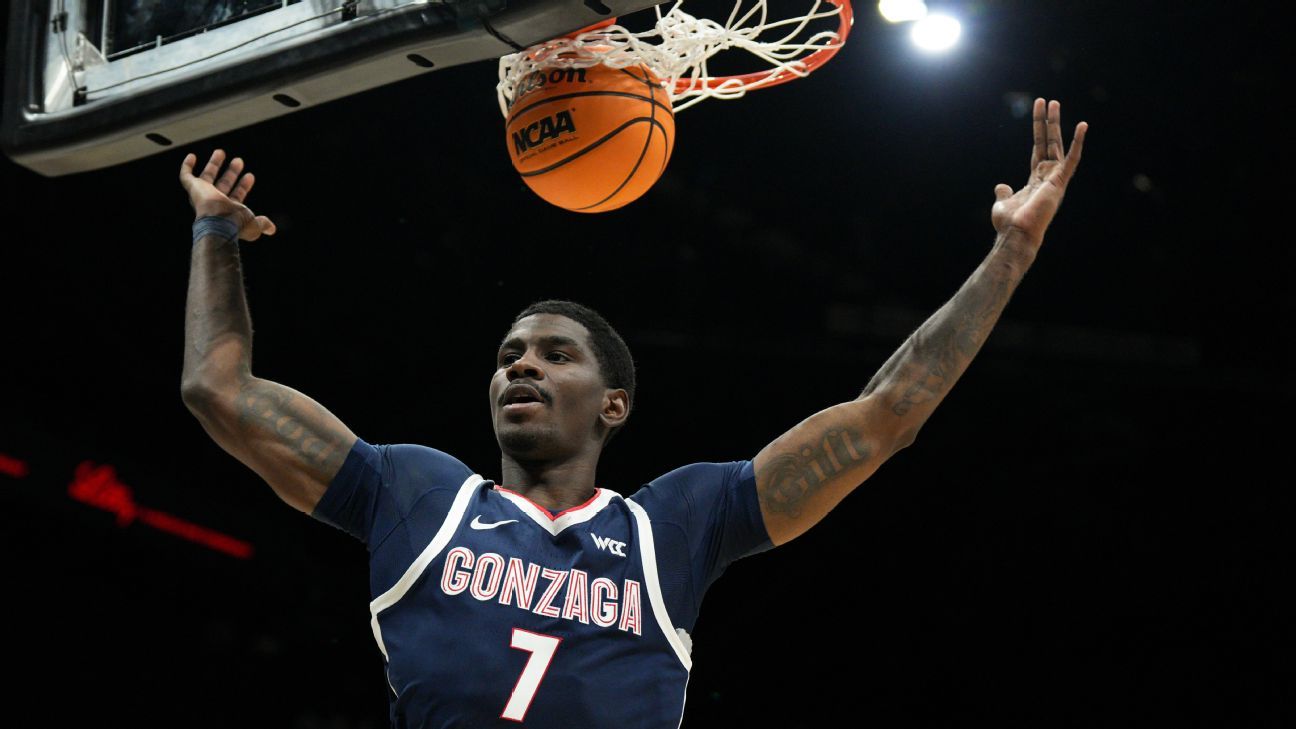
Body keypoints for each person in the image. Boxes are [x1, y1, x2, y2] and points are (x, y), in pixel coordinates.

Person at [178, 98, 1087, 727]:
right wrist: (215, 231)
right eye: (508, 355)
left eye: (554, 353)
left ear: (613, 403)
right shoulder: (417, 493)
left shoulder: (675, 524)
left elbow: (885, 416)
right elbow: (218, 390)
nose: (520, 364)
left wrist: (1009, 255)